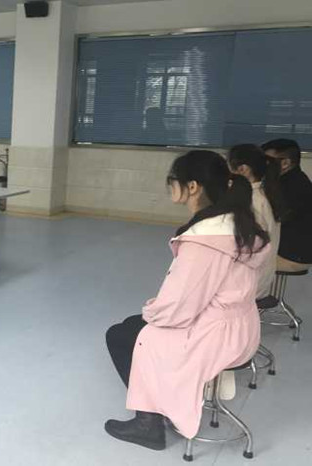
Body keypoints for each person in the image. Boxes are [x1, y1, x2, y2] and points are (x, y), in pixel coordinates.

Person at [104, 150, 270, 450]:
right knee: (132, 324)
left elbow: (178, 308)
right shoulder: (237, 223)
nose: (171, 186)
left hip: (214, 335)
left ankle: (148, 423)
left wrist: (152, 312)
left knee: (119, 335)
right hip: (241, 326)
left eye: (173, 181)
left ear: (192, 186)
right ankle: (156, 407)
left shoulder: (206, 240)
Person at [228, 144, 285, 298]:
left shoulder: (252, 202)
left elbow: (244, 250)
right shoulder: (265, 194)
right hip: (261, 277)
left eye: (230, 169)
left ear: (243, 169)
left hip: (251, 284)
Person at [261, 139, 312, 272]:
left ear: (285, 163)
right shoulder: (295, 180)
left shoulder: (292, 187)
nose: (262, 165)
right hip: (294, 252)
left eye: (267, 160)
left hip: (291, 256)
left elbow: (272, 219)